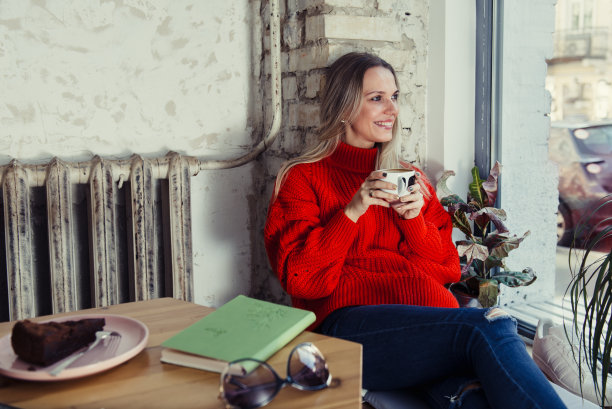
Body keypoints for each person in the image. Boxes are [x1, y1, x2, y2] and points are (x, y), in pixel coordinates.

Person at [264, 52, 566, 409]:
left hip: (430, 327)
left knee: (470, 400)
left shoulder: (411, 179)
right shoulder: (303, 178)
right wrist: (352, 211)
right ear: (343, 106)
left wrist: (413, 222)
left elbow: (446, 270)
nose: (391, 109)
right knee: (493, 325)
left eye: (394, 97)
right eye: (376, 98)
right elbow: (303, 279)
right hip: (349, 328)